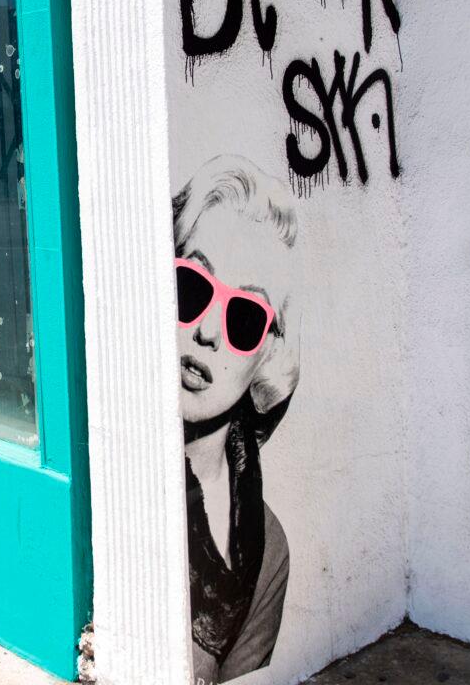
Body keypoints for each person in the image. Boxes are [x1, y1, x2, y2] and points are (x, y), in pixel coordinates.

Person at [173, 155, 300, 684]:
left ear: (268, 354)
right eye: (193, 286)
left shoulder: (265, 550)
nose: (207, 332)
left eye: (244, 315)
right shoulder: (109, 488)